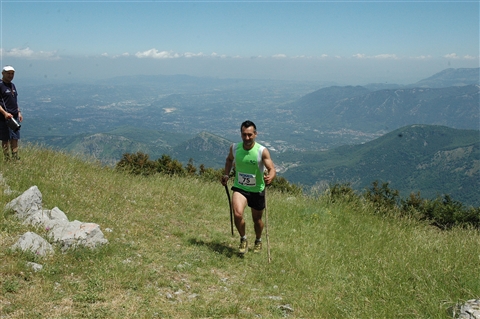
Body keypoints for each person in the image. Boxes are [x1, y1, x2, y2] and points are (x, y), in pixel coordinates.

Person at [221, 120, 276, 254]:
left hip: (257, 190)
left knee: (257, 220)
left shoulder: (262, 151)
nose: (247, 138)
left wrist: (270, 176)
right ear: (241, 134)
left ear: (255, 134)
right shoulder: (235, 148)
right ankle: (243, 238)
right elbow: (229, 160)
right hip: (240, 187)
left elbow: (271, 168)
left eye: (250, 135)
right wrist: (226, 174)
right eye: (244, 135)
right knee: (238, 214)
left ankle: (258, 240)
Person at [0, 65, 22, 161]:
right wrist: (4, 113)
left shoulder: (12, 85)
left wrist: (19, 112)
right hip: (4, 117)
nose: (10, 75)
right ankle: (7, 158)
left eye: (12, 73)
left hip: (14, 116)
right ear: (3, 73)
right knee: (5, 138)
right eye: (8, 73)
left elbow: (14, 100)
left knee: (15, 138)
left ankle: (15, 157)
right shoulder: (0, 85)